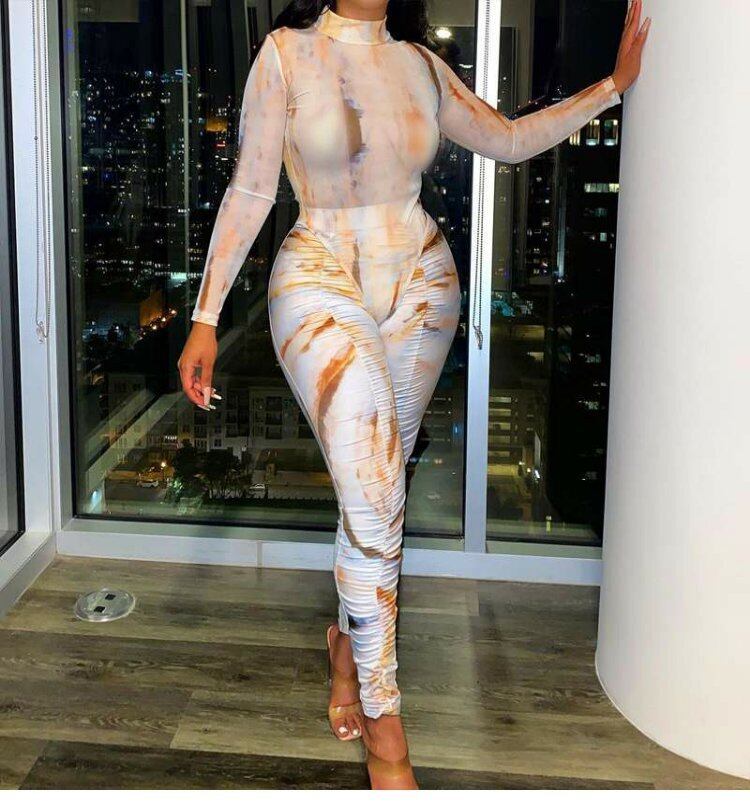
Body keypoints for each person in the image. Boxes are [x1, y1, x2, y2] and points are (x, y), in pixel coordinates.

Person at [178, 0, 650, 789]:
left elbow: (508, 140)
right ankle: (385, 724)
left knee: (376, 490)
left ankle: (344, 645)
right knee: (373, 488)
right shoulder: (286, 53)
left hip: (422, 282)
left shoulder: (421, 65)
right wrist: (204, 315)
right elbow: (252, 190)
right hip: (318, 271)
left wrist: (612, 86)